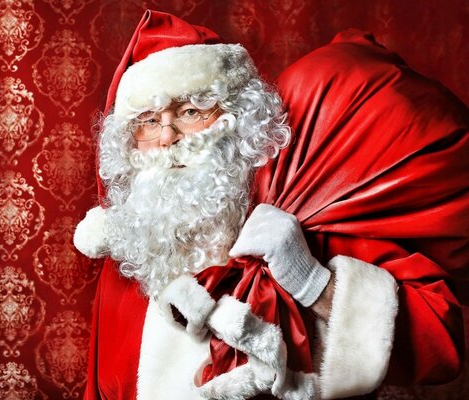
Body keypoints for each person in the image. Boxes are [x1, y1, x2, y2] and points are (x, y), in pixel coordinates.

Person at [74, 10, 468, 400]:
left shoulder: (302, 204)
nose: (167, 137)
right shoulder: (134, 242)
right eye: (148, 121)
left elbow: (440, 347)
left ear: (237, 116)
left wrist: (313, 281)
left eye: (190, 112)